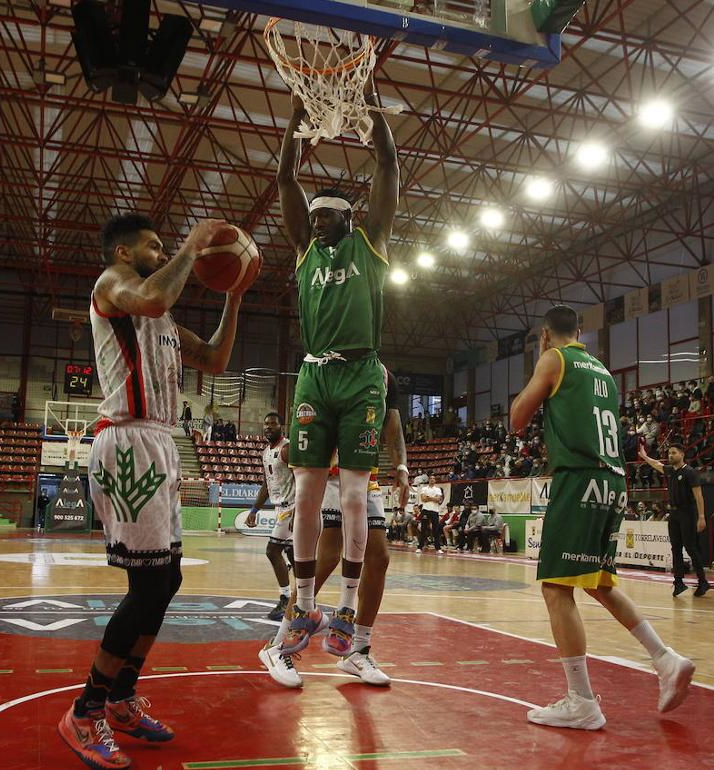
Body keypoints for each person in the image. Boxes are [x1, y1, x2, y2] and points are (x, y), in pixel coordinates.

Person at [56, 212, 243, 770]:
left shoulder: (160, 320)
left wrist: (234, 295)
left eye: (167, 247)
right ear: (121, 252)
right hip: (126, 442)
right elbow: (155, 299)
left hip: (161, 443)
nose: (164, 254)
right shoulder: (110, 286)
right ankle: (84, 712)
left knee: (168, 580)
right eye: (154, 247)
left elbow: (214, 358)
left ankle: (120, 699)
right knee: (146, 587)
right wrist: (193, 244)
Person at [511, 305, 695, 730]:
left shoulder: (555, 358)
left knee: (557, 589)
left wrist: (539, 367)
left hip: (579, 479)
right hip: (614, 482)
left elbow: (517, 419)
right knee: (600, 583)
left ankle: (581, 700)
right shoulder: (603, 371)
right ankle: (665, 659)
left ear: (545, 335)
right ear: (581, 332)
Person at [276, 77, 399, 658]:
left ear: (349, 219)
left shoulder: (370, 242)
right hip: (314, 374)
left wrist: (371, 105)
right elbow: (284, 179)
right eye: (314, 218)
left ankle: (347, 609)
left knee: (353, 499)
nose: (316, 223)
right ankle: (304, 604)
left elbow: (389, 168)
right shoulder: (306, 251)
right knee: (305, 493)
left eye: (326, 217)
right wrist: (296, 115)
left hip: (361, 374)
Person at [259, 367, 410, 688]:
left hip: (364, 471)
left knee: (379, 557)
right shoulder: (325, 366)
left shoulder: (383, 374)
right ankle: (278, 645)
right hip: (329, 469)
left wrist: (400, 465)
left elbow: (392, 424)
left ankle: (358, 649)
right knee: (325, 560)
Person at [637, 443, 710, 596]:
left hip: (688, 513)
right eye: (669, 453)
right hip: (674, 514)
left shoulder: (690, 472)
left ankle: (703, 581)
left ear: (682, 454)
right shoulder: (670, 471)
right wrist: (644, 457)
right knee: (675, 548)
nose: (670, 455)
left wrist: (701, 517)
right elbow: (657, 464)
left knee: (690, 548)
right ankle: (678, 582)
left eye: (674, 453)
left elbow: (699, 496)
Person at [245, 413, 296, 621]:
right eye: (265, 424)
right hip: (280, 509)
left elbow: (302, 480)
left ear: (280, 426)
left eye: (273, 423)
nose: (268, 427)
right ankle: (304, 601)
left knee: (272, 550)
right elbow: (267, 485)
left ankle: (285, 600)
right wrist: (254, 510)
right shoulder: (266, 452)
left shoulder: (287, 448)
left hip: (293, 508)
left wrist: (301, 512)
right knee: (295, 558)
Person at [416, 475, 444, 554]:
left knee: (436, 530)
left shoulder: (438, 489)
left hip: (434, 511)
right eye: (430, 478)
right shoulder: (424, 488)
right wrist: (433, 498)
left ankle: (438, 548)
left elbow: (438, 499)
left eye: (433, 478)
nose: (432, 480)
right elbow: (423, 499)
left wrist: (429, 497)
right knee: (423, 529)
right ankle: (420, 547)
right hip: (425, 510)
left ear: (435, 480)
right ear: (428, 480)